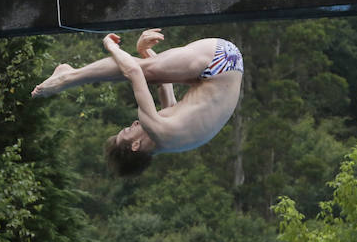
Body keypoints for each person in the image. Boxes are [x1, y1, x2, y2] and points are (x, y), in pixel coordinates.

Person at [32, 29, 243, 176]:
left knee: (149, 71)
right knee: (141, 71)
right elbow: (133, 71)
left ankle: (70, 75)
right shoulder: (157, 129)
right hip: (219, 60)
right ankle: (67, 78)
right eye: (126, 131)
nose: (132, 124)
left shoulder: (169, 141)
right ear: (135, 145)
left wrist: (142, 50)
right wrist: (109, 46)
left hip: (223, 66)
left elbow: (165, 85)